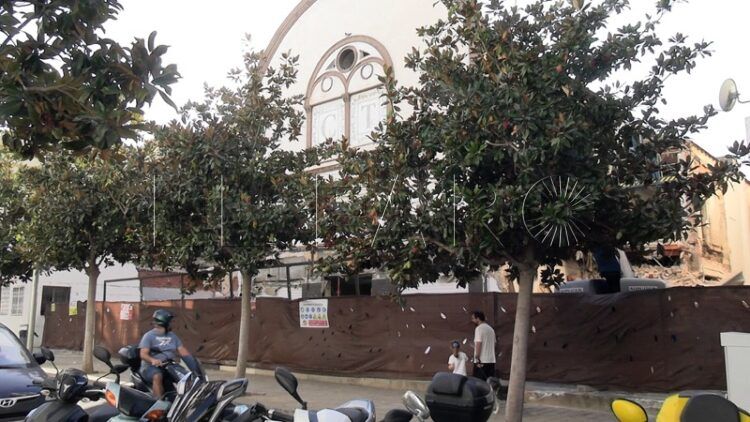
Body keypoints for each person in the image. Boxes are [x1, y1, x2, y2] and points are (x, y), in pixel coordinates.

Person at [139, 309, 193, 398]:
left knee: (186, 377)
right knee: (157, 376)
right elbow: (143, 354)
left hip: (169, 365)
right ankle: (158, 401)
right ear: (164, 322)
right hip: (150, 367)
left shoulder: (173, 336)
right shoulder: (149, 336)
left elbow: (182, 351)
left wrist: (193, 362)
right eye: (170, 322)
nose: (172, 324)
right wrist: (153, 360)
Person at [471, 310, 496, 381]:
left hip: (481, 361)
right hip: (491, 360)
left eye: (473, 318)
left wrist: (477, 357)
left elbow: (479, 343)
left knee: (478, 383)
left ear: (478, 318)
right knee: (489, 382)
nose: (472, 320)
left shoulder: (479, 329)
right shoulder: (491, 329)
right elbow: (494, 343)